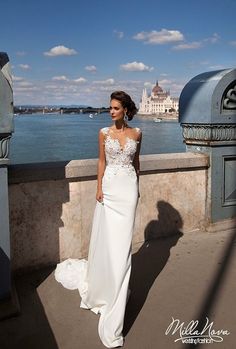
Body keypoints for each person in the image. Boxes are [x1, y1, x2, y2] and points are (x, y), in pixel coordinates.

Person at [55, 91, 142, 348]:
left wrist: (138, 187)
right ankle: (108, 295)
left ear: (125, 109)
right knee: (109, 245)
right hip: (110, 190)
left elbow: (136, 162)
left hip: (128, 192)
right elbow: (102, 162)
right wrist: (98, 188)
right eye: (110, 108)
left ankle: (117, 292)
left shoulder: (137, 134)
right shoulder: (104, 133)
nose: (111, 112)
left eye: (116, 108)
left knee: (123, 248)